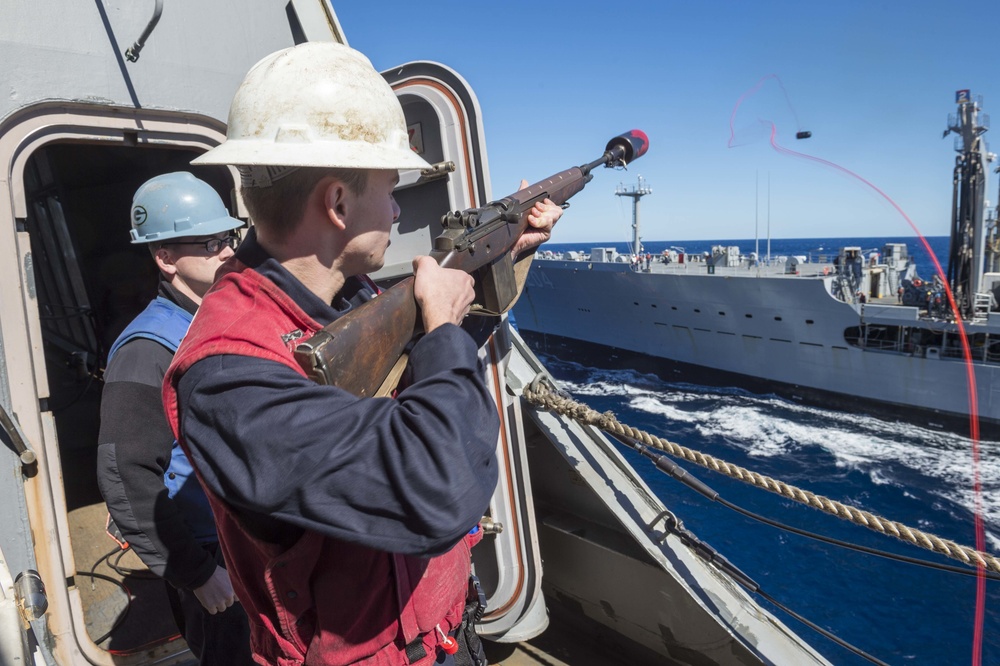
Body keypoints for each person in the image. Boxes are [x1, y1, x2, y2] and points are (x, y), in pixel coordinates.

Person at [161, 42, 562, 665]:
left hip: (436, 631)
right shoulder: (227, 377)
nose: (399, 208)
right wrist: (439, 328)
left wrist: (510, 257)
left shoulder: (351, 297)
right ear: (338, 202)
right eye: (390, 188)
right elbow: (439, 488)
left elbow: (415, 378)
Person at [96, 172, 252, 664]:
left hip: (258, 544)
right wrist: (198, 574)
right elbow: (125, 474)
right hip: (215, 556)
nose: (226, 251)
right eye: (209, 243)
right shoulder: (148, 349)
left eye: (228, 238)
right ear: (164, 258)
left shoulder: (221, 318)